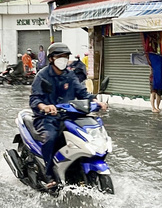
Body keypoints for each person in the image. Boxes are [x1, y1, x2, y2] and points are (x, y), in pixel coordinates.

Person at [29, 42, 108, 188]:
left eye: (66, 57)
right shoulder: (42, 75)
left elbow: (82, 93)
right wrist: (45, 107)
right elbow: (35, 99)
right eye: (60, 56)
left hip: (69, 115)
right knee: (51, 137)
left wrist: (97, 101)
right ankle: (48, 174)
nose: (63, 59)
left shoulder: (69, 74)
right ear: (52, 59)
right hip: (47, 118)